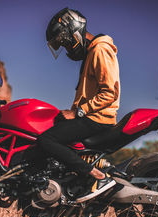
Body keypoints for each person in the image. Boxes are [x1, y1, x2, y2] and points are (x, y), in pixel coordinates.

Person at [37, 7, 120, 201]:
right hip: (90, 116)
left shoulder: (100, 49)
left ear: (74, 32)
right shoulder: (92, 52)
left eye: (66, 43)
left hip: (97, 118)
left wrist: (78, 112)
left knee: (46, 140)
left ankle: (97, 177)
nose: (67, 49)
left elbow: (110, 93)